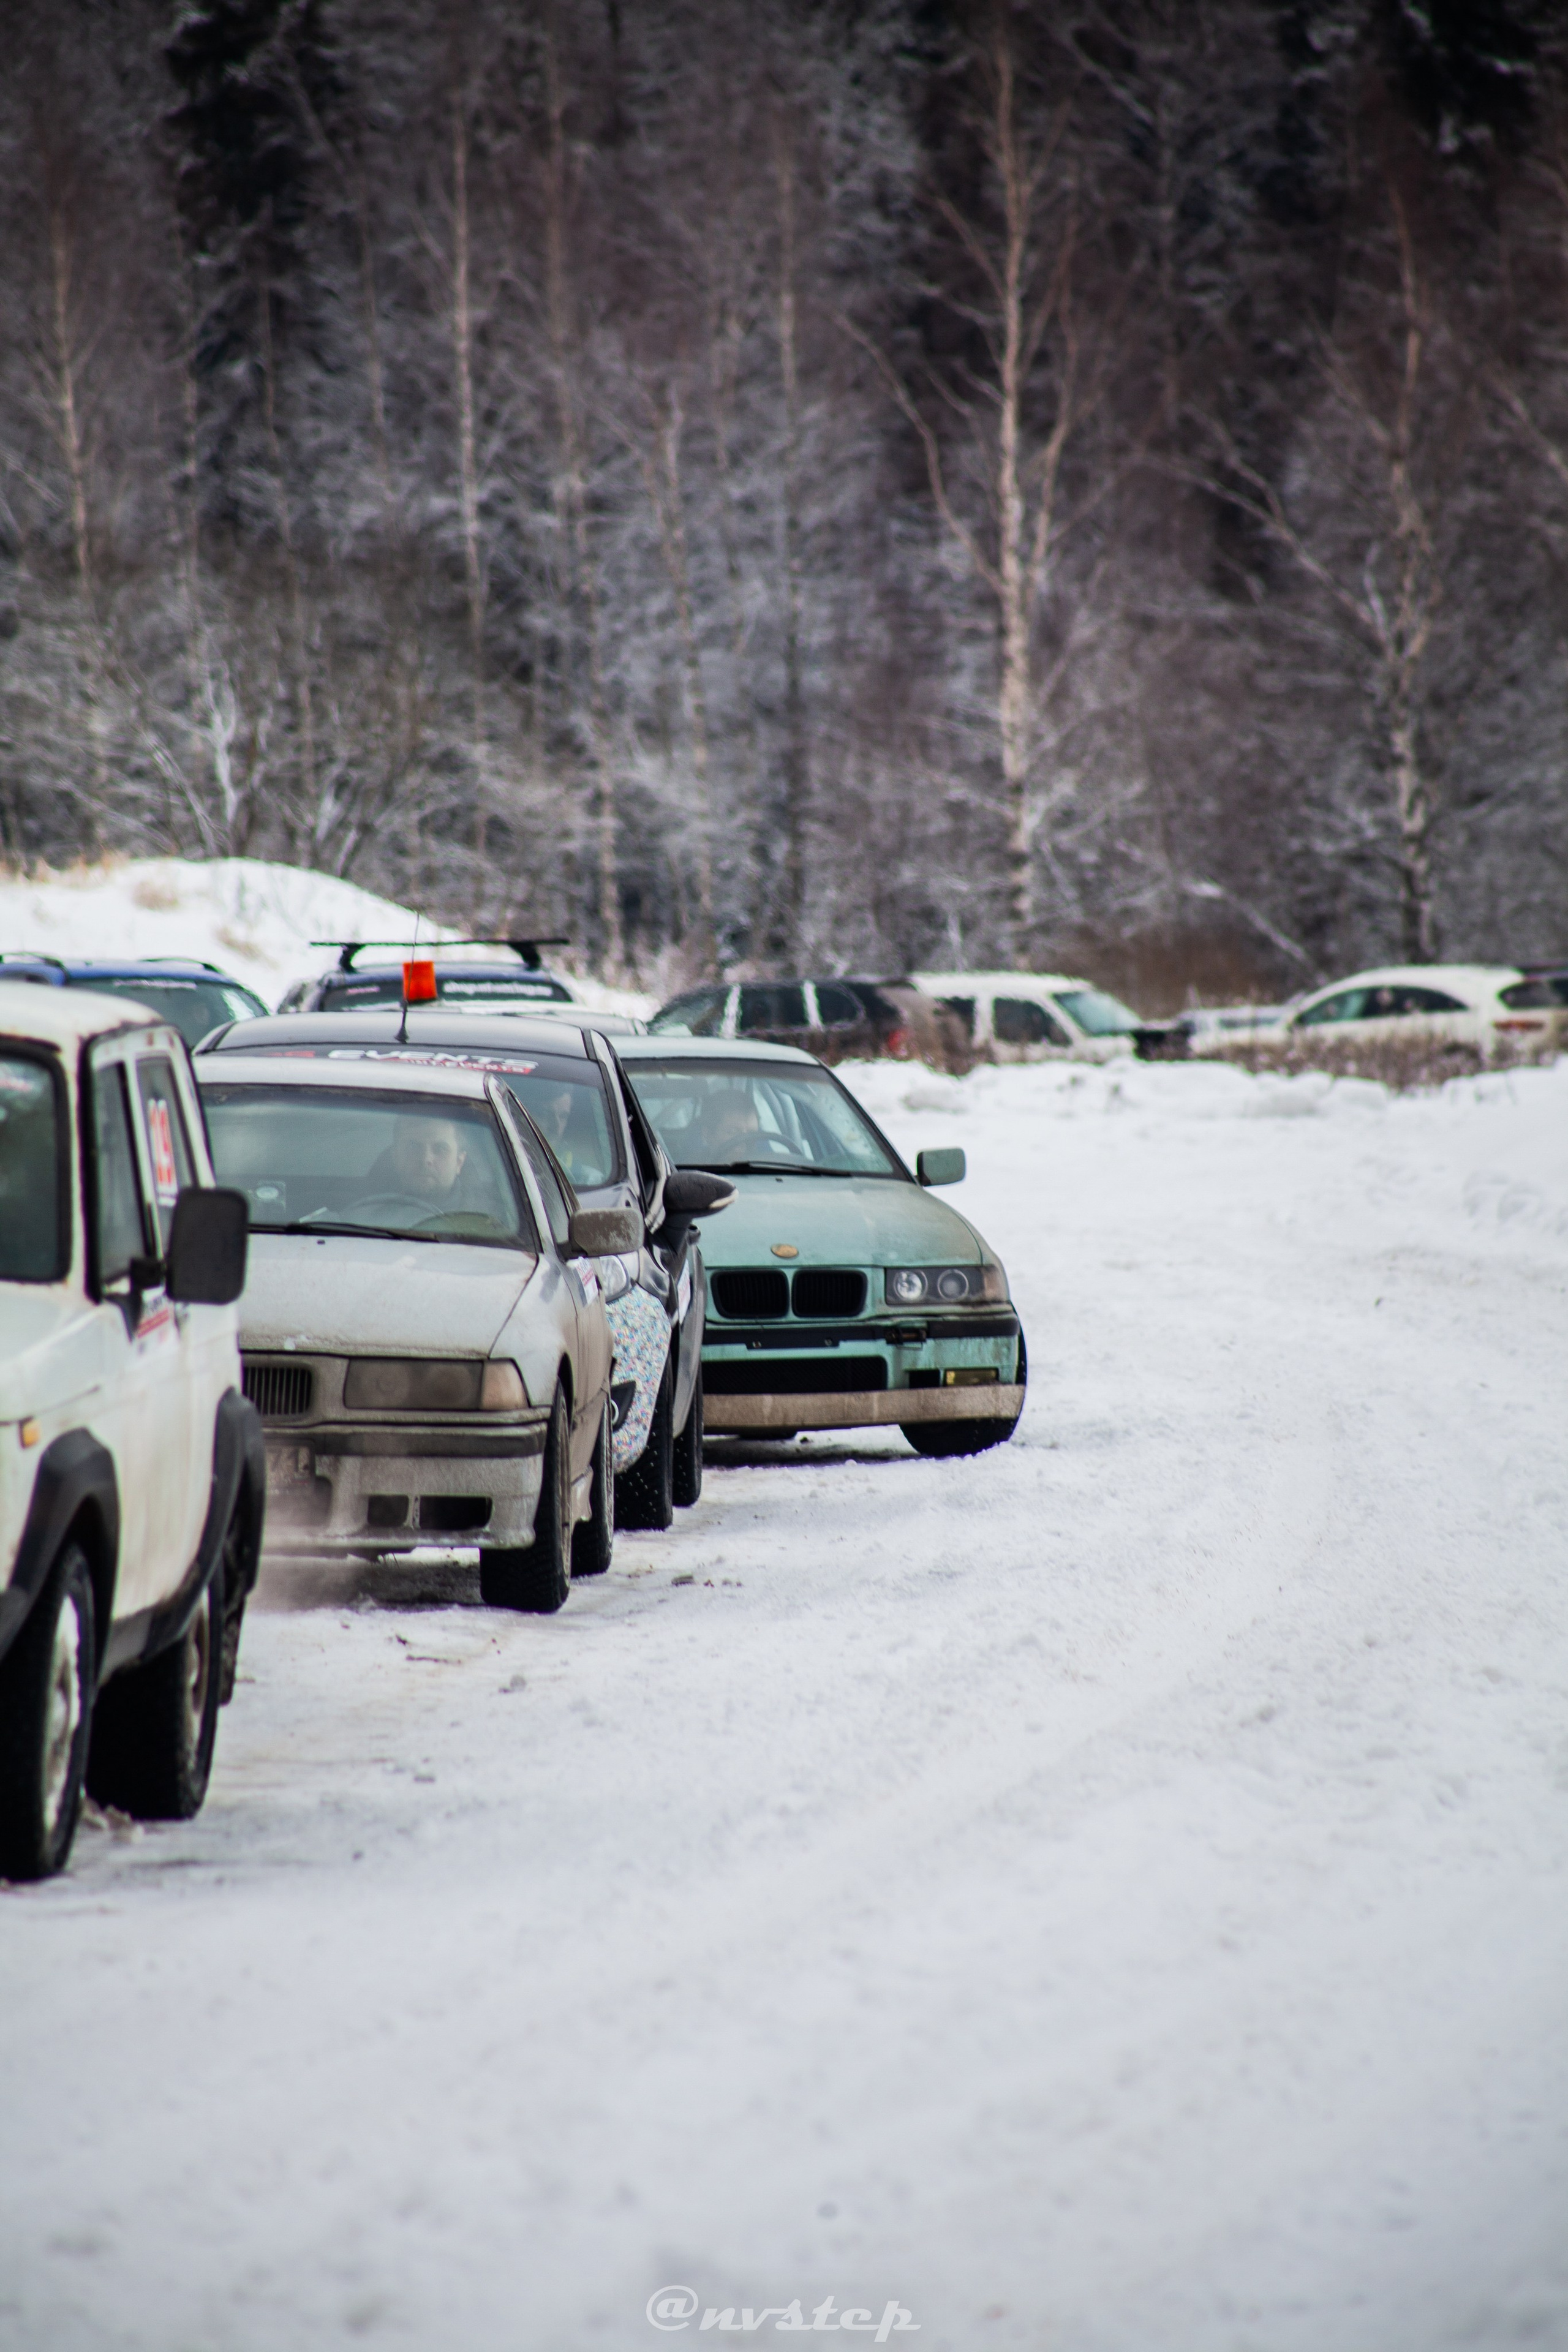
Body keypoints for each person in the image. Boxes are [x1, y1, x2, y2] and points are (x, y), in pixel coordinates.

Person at [384, 1113, 468, 1202]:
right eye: (414, 1147)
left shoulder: (479, 1212)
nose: (426, 1159)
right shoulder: (369, 1212)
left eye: (441, 1149)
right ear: (395, 1157)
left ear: (459, 1162)